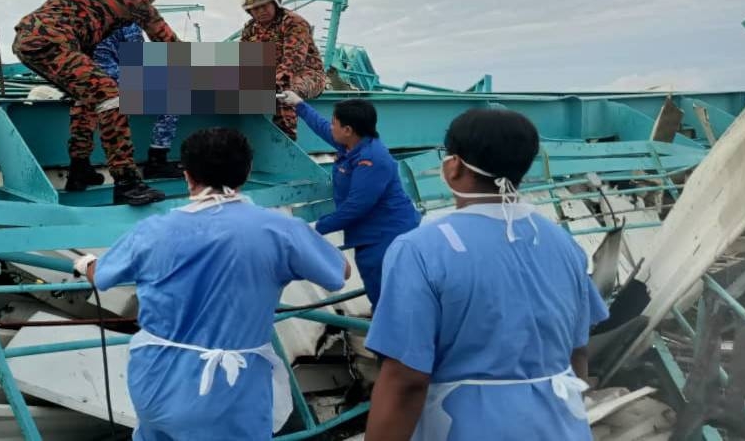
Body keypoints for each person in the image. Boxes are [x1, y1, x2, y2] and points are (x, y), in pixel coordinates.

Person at [75, 127, 350, 440]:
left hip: (154, 380)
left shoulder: (152, 230)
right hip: (229, 391)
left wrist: (86, 263)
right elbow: (338, 273)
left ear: (188, 176)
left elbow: (103, 276)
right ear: (245, 172)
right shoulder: (280, 230)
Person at [363, 108, 610, 441]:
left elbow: (406, 380)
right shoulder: (561, 242)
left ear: (454, 166)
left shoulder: (422, 249)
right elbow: (577, 351)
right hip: (562, 427)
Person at [12, 0, 182, 205]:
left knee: (88, 98)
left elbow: (85, 39)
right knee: (110, 95)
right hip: (49, 40)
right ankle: (127, 182)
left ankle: (80, 170)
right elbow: (168, 43)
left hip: (33, 40)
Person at [277, 92, 419, 310]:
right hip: (370, 237)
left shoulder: (371, 159)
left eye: (335, 123)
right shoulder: (352, 144)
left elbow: (356, 207)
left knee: (390, 302)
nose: (331, 127)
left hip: (385, 239)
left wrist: (314, 229)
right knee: (384, 299)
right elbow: (323, 127)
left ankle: (395, 341)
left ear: (348, 130)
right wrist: (299, 105)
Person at [92, 22, 182, 180]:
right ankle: (157, 160)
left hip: (91, 78)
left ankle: (81, 165)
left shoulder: (95, 19)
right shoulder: (128, 21)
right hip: (112, 78)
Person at [240, 0, 326, 140]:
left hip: (306, 74)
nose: (260, 11)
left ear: (274, 3)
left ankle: (285, 140)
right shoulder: (250, 29)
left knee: (284, 90)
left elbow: (293, 62)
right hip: (269, 75)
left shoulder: (294, 22)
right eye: (254, 9)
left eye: (264, 5)